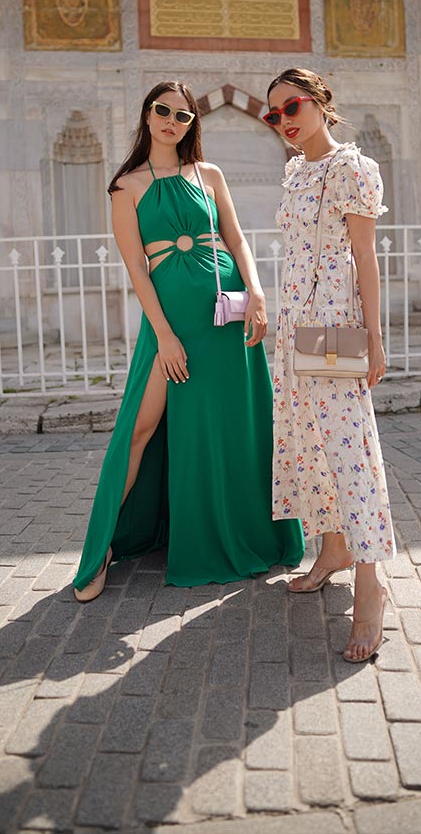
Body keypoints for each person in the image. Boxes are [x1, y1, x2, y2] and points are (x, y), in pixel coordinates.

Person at [74, 81, 304, 599]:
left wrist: (259, 293)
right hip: (171, 323)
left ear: (191, 124)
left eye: (182, 115)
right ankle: (103, 549)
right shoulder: (125, 186)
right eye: (162, 111)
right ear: (147, 114)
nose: (171, 121)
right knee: (140, 427)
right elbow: (136, 266)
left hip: (225, 318)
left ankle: (243, 535)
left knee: (232, 428)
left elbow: (236, 238)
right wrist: (164, 336)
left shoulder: (209, 174)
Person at [266, 67, 396, 663]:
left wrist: (374, 335)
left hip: (333, 329)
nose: (284, 122)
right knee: (309, 443)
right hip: (294, 328)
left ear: (320, 102)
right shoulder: (294, 173)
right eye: (274, 116)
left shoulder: (352, 168)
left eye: (291, 107)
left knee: (349, 448)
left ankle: (370, 585)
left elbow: (364, 258)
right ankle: (334, 547)